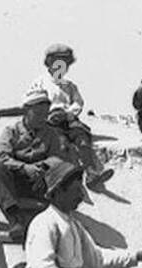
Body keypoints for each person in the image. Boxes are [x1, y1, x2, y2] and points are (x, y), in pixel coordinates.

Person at [0, 89, 74, 241]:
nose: (42, 118)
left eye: (45, 114)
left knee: (65, 172)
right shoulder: (11, 131)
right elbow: (0, 156)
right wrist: (24, 168)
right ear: (27, 111)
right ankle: (16, 220)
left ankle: (53, 222)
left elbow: (58, 157)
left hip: (39, 182)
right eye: (38, 114)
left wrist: (43, 166)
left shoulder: (51, 133)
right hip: (16, 180)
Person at [28, 43, 113, 188]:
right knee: (61, 144)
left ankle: (92, 174)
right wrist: (47, 115)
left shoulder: (70, 86)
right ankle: (67, 178)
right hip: (50, 121)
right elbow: (33, 102)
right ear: (49, 64)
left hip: (68, 118)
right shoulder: (39, 83)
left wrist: (68, 113)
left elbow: (78, 102)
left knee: (83, 140)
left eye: (64, 64)